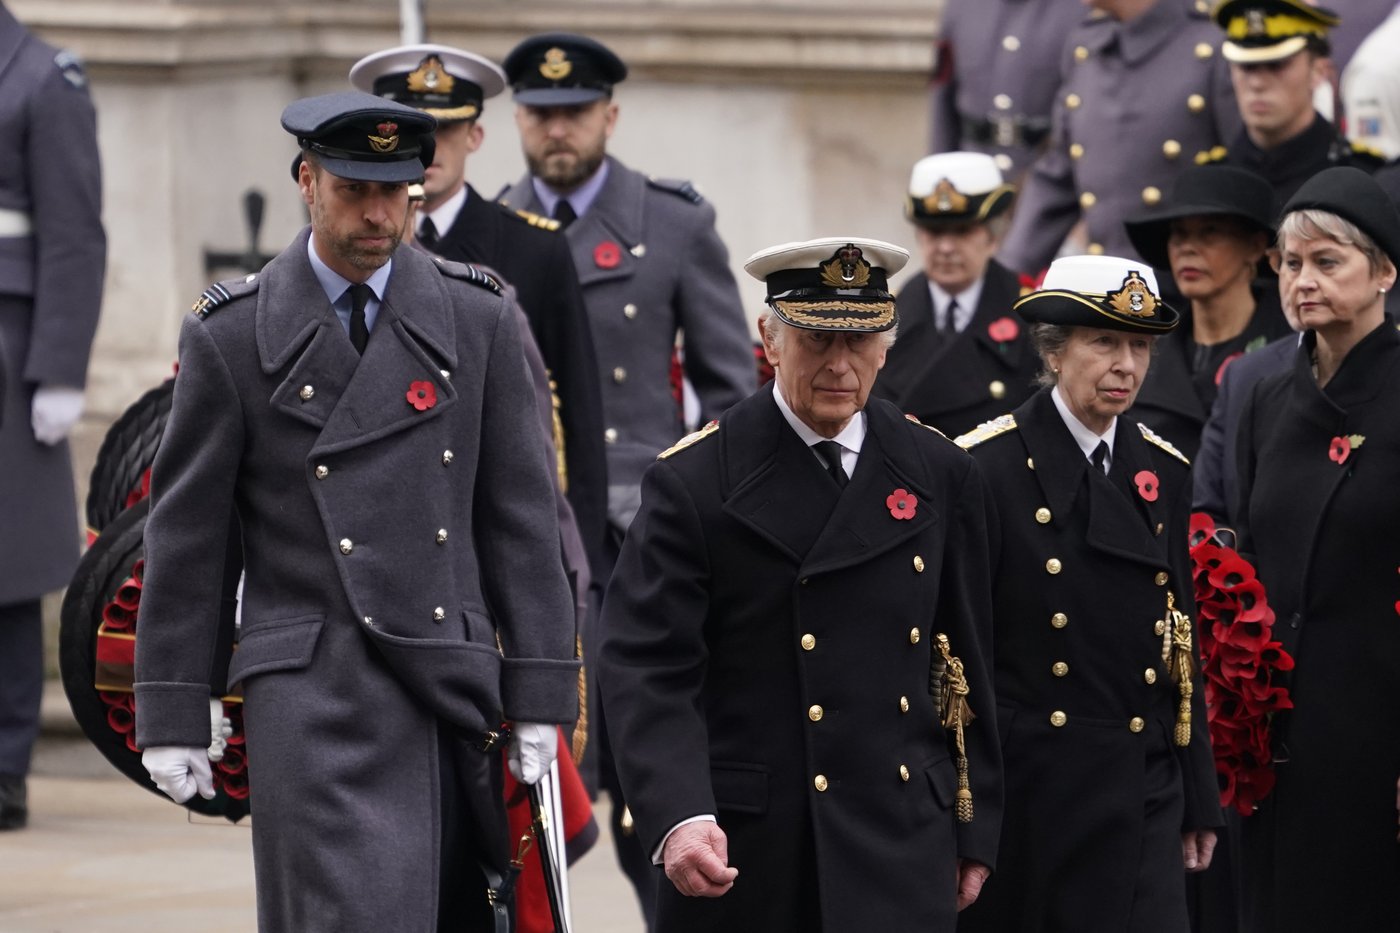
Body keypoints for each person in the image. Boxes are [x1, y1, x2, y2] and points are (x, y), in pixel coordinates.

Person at [132, 92, 579, 932]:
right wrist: (172, 705)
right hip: (312, 692)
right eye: (353, 190)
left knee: (455, 910)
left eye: (397, 192)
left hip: (447, 683)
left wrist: (545, 689)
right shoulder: (231, 336)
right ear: (307, 181)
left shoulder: (477, 316)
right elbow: (191, 536)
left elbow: (520, 520)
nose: (379, 214)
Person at [597, 236, 1003, 932]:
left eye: (860, 340)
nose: (840, 365)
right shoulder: (695, 482)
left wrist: (974, 819)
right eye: (816, 339)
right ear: (770, 339)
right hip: (753, 849)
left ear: (886, 345)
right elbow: (648, 666)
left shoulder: (939, 471)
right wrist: (681, 815)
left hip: (899, 835)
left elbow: (967, 659)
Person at [498, 32, 757, 926]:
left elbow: (732, 391)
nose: (556, 131)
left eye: (574, 113)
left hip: (640, 538)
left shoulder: (675, 223)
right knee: (527, 792)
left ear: (610, 114)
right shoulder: (492, 233)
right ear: (516, 121)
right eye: (538, 114)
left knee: (649, 773)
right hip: (527, 539)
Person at [955, 255, 1222, 932]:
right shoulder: (984, 467)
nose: (1126, 365)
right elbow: (960, 652)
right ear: (1053, 348)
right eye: (1105, 342)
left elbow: (1178, 640)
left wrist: (1198, 795)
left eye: (1140, 346)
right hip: (1032, 787)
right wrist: (963, 809)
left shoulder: (1161, 466)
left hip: (1141, 781)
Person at [350, 43, 609, 581]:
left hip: (493, 523)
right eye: (412, 130)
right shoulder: (355, 247)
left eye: (444, 130)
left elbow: (575, 418)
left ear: (475, 135)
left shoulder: (532, 250)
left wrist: (577, 566)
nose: (429, 147)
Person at [1233, 166, 1400, 932]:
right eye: (1290, 264)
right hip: (1274, 734)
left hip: (1374, 727)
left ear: (1385, 273)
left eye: (1328, 262)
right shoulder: (1264, 393)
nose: (1302, 280)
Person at [0, 2, 105, 832]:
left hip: (9, 348)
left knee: (5, 581)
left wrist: (58, 369)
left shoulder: (43, 77)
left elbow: (73, 233)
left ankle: (4, 766)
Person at [998, 0, 1239, 274]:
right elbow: (1058, 178)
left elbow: (1248, 170)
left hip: (1188, 292)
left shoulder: (1213, 42)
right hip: (1108, 292)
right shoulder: (1088, 42)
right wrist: (1005, 278)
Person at [1122, 164, 1290, 459]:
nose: (1188, 248)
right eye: (1179, 235)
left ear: (1255, 247)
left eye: (1209, 232)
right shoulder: (1144, 350)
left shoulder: (1293, 347)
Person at [874, 151, 1039, 436]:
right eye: (934, 232)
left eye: (962, 231)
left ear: (993, 237)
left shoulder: (1032, 318)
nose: (946, 247)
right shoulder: (883, 317)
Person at [1210, 0, 1382, 207]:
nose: (1257, 83)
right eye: (1246, 67)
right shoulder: (1209, 180)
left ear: (1318, 71)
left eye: (1276, 65)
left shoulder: (1364, 179)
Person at [928, 0, 1086, 180]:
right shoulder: (961, 6)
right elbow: (943, 98)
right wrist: (939, 177)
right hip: (971, 179)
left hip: (1048, 181)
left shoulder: (1081, 7)